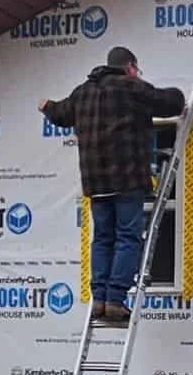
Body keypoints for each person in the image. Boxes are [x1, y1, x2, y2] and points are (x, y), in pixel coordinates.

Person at [39, 46, 185, 323]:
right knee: (127, 238)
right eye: (137, 70)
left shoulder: (83, 92)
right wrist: (179, 95)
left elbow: (60, 114)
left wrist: (46, 106)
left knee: (103, 239)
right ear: (130, 67)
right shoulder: (131, 87)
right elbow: (171, 102)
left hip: (96, 183)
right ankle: (116, 299)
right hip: (127, 178)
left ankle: (100, 299)